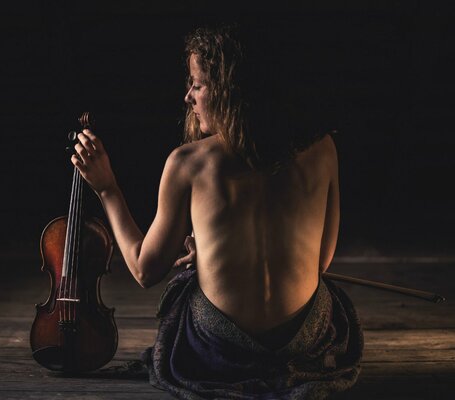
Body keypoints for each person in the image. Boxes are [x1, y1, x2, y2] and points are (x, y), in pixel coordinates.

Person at [71, 24, 363, 400]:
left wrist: (106, 188)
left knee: (182, 289)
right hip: (302, 341)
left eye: (198, 84)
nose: (188, 96)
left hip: (225, 348)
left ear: (230, 89)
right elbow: (320, 264)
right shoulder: (323, 150)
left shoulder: (188, 163)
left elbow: (145, 269)